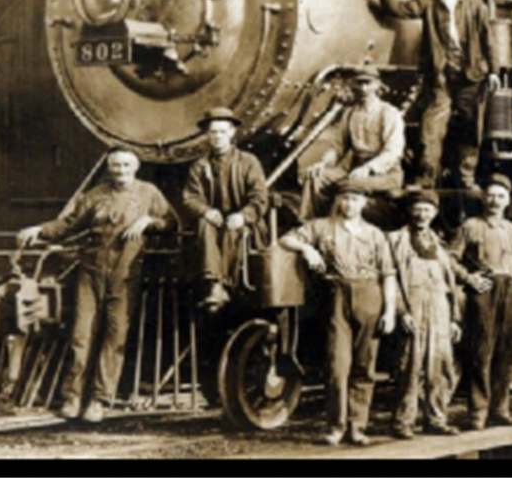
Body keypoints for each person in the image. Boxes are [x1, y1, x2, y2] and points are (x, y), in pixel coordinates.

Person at [17, 147, 176, 424]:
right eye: (116, 165)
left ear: (135, 168)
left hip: (125, 271)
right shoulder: (96, 195)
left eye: (126, 165)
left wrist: (151, 220)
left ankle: (99, 399)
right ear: (109, 168)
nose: (120, 171)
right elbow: (68, 224)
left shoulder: (149, 193)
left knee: (115, 337)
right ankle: (73, 396)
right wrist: (39, 230)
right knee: (82, 334)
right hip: (91, 269)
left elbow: (172, 223)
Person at [281, 180, 398, 447]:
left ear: (364, 203)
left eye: (355, 199)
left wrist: (390, 311)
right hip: (336, 297)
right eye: (344, 199)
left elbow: (388, 275)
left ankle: (358, 427)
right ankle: (335, 426)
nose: (349, 204)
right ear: (338, 201)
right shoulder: (322, 227)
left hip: (370, 296)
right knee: (336, 365)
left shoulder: (375, 234)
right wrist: (307, 248)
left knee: (364, 366)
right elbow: (285, 239)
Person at [379, 0, 500, 191]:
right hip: (441, 77)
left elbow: (489, 40)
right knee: (430, 130)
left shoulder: (476, 6)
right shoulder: (429, 2)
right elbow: (401, 9)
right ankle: (425, 179)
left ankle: (466, 179)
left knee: (469, 129)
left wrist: (494, 71)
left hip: (471, 76)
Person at [450, 173, 512, 430]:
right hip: (485, 291)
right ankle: (478, 413)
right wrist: (468, 278)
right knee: (481, 351)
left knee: (508, 351)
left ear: (507, 201)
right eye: (491, 195)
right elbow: (450, 257)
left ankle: (500, 410)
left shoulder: (510, 229)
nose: (495, 201)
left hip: (510, 292)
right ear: (484, 198)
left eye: (500, 196)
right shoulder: (471, 226)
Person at [388, 189, 462, 440]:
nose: (422, 214)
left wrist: (454, 318)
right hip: (414, 310)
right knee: (409, 366)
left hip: (440, 311)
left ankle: (436, 420)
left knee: (440, 367)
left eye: (427, 210)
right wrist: (401, 312)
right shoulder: (396, 240)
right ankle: (403, 422)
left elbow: (450, 284)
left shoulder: (439, 245)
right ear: (410, 211)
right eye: (418, 209)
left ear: (435, 213)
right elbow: (391, 281)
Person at [182, 107, 269, 312]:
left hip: (244, 224)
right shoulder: (199, 166)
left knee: (233, 229)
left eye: (222, 132)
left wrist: (244, 215)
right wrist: (205, 210)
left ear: (232, 133)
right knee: (204, 222)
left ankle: (225, 284)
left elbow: (259, 197)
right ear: (207, 135)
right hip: (212, 225)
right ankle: (215, 283)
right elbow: (190, 198)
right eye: (213, 132)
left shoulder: (249, 162)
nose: (217, 137)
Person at [302, 66, 405, 218]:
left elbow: (393, 152)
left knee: (348, 186)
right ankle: (309, 223)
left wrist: (368, 168)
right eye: (359, 83)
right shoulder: (350, 113)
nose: (363, 88)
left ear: (377, 85)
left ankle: (335, 229)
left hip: (386, 174)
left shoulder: (389, 113)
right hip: (355, 170)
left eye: (367, 83)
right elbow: (338, 147)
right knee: (315, 177)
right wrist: (322, 163)